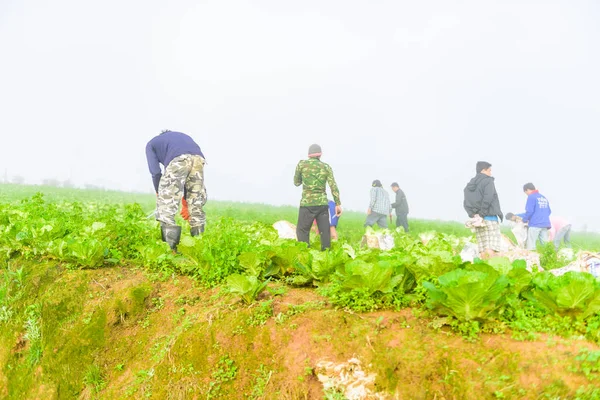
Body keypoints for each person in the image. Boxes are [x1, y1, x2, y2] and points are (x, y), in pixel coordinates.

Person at [146, 130, 207, 251]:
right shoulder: (182, 139)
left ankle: (171, 251)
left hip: (178, 160)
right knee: (195, 206)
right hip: (198, 158)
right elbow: (186, 182)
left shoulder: (151, 144)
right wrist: (185, 204)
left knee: (166, 207)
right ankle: (199, 250)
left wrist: (160, 193)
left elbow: (155, 172)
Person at [294, 144, 342, 250]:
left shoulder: (302, 165)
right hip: (322, 205)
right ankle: (326, 256)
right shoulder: (326, 167)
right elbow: (333, 186)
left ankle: (305, 254)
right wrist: (337, 204)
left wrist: (306, 178)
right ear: (320, 155)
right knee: (325, 232)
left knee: (302, 231)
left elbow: (296, 182)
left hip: (307, 204)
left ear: (309, 155)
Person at [463, 161, 504, 259]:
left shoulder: (469, 185)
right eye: (489, 170)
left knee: (483, 249)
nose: (491, 173)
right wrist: (482, 214)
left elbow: (466, 203)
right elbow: (488, 197)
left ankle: (485, 270)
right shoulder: (488, 181)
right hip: (489, 218)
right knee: (491, 247)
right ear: (483, 170)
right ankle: (492, 272)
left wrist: (473, 215)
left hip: (477, 221)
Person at [520, 183, 551, 250]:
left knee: (531, 245)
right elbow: (549, 211)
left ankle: (532, 259)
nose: (526, 194)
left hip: (535, 224)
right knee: (545, 245)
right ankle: (548, 257)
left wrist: (524, 220)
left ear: (527, 190)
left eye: (526, 192)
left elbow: (529, 211)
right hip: (545, 224)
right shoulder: (543, 197)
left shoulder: (531, 197)